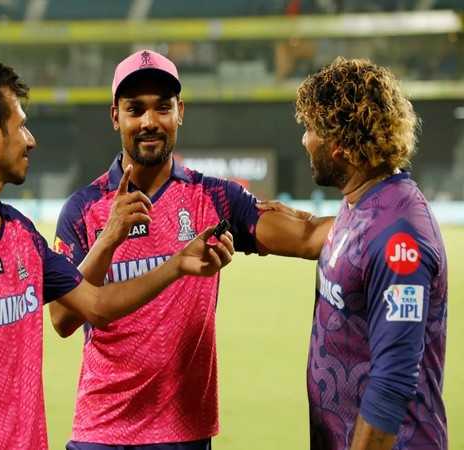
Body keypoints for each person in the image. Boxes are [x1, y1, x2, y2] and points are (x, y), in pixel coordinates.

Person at [0, 62, 235, 450]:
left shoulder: (22, 233)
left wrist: (176, 264)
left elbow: (95, 304)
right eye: (21, 126)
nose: (31, 140)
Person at [51, 49, 333, 449]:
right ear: (115, 115)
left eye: (162, 107)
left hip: (185, 434)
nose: (150, 121)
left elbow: (306, 237)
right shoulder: (84, 208)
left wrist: (383, 217)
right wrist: (108, 237)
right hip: (103, 432)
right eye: (135, 109)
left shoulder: (214, 198)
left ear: (179, 111)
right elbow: (62, 319)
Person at [295, 57, 447, 449]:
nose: (304, 140)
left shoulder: (401, 241)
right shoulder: (361, 202)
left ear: (341, 149)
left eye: (312, 130)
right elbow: (302, 231)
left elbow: (392, 383)